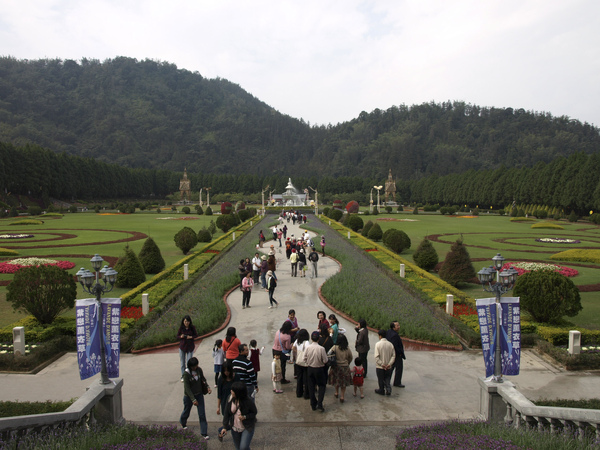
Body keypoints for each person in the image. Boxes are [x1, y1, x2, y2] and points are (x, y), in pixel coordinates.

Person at [179, 357, 211, 440]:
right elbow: (187, 388)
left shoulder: (199, 370)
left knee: (202, 414)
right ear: (190, 366)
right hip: (189, 397)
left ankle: (204, 432)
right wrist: (193, 399)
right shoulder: (186, 374)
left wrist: (207, 386)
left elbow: (203, 379)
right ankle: (183, 422)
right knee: (186, 411)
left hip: (199, 394)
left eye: (196, 365)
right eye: (194, 366)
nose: (195, 367)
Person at [219, 381, 258, 449]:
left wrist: (245, 417)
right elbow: (226, 413)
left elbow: (254, 412)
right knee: (238, 448)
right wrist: (225, 427)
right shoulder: (230, 398)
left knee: (243, 447)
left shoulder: (248, 401)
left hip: (247, 427)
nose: (231, 391)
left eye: (233, 390)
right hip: (235, 427)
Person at [304, 330, 328, 412]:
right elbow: (325, 360)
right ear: (319, 339)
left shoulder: (308, 348)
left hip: (310, 368)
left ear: (311, 339)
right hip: (319, 369)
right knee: (322, 385)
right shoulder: (321, 349)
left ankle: (313, 404)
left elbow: (304, 359)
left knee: (311, 386)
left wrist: (309, 363)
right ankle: (320, 404)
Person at [328, 334, 353, 403]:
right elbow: (350, 357)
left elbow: (328, 353)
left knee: (336, 381)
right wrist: (347, 363)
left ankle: (336, 392)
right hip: (345, 367)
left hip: (336, 367)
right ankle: (342, 396)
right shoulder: (347, 349)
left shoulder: (334, 347)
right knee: (343, 383)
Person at [216, 360, 236, 440]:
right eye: (224, 371)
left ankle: (222, 430)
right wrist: (218, 407)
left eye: (228, 370)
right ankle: (222, 430)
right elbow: (219, 394)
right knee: (230, 421)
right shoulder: (221, 379)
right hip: (225, 404)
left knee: (234, 422)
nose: (226, 372)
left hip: (235, 403)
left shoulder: (236, 377)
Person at [374, 329, 395, 396]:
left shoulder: (378, 344)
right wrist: (389, 364)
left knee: (380, 379)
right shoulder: (390, 344)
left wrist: (382, 364)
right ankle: (388, 389)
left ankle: (381, 390)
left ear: (380, 336)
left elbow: (376, 357)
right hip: (388, 366)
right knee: (387, 378)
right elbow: (393, 356)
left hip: (380, 367)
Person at [177, 315, 198, 381]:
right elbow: (177, 336)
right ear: (183, 322)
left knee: (189, 362)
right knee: (182, 363)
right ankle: (184, 376)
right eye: (185, 321)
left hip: (190, 347)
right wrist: (181, 336)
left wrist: (191, 337)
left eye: (188, 321)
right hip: (182, 346)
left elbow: (196, 335)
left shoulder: (192, 328)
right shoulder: (181, 328)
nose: (186, 323)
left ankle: (189, 375)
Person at [386, 321, 406, 388]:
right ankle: (397, 382)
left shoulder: (389, 332)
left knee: (391, 368)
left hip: (391, 354)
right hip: (396, 355)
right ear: (393, 327)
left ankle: (387, 381)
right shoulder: (395, 335)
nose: (399, 326)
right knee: (398, 368)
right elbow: (395, 346)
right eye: (397, 326)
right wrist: (400, 353)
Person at [292, 329, 310, 399]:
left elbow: (293, 347)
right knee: (306, 379)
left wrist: (298, 352)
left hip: (298, 361)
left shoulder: (297, 341)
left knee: (299, 378)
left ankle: (299, 393)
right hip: (305, 363)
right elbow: (308, 351)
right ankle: (306, 394)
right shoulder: (307, 343)